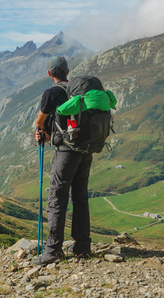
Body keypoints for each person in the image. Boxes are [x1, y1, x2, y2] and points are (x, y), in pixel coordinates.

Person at [33, 56, 93, 265]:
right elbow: (63, 127)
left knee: (57, 199)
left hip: (66, 152)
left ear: (50, 74)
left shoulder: (52, 93)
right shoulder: (79, 92)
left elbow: (39, 121)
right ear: (68, 72)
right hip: (84, 149)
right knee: (80, 196)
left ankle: (53, 250)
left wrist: (40, 130)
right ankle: (82, 247)